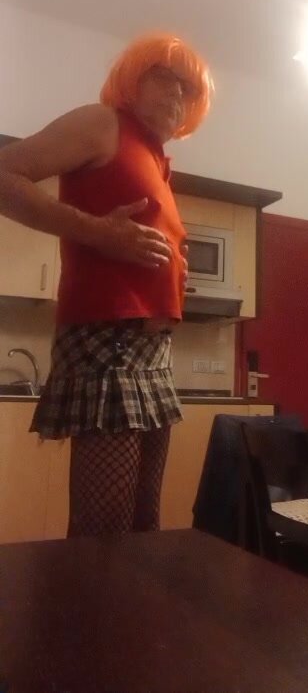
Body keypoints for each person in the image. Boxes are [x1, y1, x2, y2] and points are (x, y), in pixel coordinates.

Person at [0, 32, 212, 537]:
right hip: (108, 343)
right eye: (164, 77)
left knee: (143, 526)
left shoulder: (156, 158)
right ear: (132, 81)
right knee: (105, 533)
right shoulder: (102, 123)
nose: (176, 93)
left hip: (154, 354)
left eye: (187, 88)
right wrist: (98, 232)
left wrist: (172, 273)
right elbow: (4, 175)